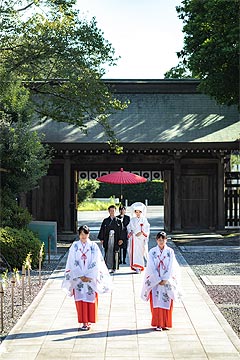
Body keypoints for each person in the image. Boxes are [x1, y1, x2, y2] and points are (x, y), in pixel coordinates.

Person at [62, 225, 111, 331]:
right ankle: (83, 322)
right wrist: (80, 274)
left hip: (90, 278)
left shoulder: (93, 246)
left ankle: (89, 320)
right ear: (79, 234)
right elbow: (72, 261)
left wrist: (88, 275)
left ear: (88, 234)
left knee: (90, 299)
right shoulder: (75, 246)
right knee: (80, 300)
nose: (83, 236)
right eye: (81, 234)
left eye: (85, 234)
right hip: (78, 278)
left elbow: (96, 262)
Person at [141, 231, 182, 331]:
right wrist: (157, 279)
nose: (161, 241)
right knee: (156, 301)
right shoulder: (152, 252)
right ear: (156, 240)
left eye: (163, 239)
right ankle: (158, 323)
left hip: (167, 280)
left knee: (166, 300)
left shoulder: (170, 251)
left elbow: (171, 266)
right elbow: (150, 266)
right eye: (159, 240)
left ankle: (166, 323)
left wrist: (165, 278)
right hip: (155, 281)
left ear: (166, 240)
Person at [98, 205, 123, 272]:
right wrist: (102, 239)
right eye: (110, 211)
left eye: (113, 211)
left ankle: (114, 267)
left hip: (116, 238)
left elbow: (121, 231)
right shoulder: (105, 221)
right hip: (107, 238)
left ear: (115, 211)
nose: (112, 212)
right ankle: (107, 266)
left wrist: (121, 239)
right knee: (107, 252)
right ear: (108, 211)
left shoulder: (119, 221)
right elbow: (102, 230)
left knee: (115, 252)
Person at [127, 202, 150, 273]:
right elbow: (129, 227)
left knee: (141, 252)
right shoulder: (132, 220)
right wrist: (131, 232)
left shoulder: (144, 220)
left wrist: (142, 232)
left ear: (141, 212)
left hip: (141, 238)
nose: (137, 213)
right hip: (134, 238)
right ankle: (136, 267)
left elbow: (147, 228)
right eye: (136, 212)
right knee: (134, 252)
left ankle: (140, 266)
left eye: (139, 212)